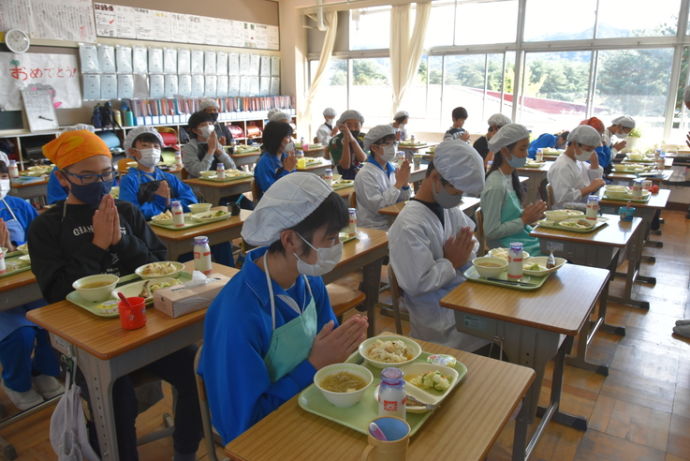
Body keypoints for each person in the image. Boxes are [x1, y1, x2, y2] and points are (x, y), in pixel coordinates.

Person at [28, 130, 202, 461]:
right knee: (115, 399)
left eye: (107, 174)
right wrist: (96, 246)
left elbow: (158, 266)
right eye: (87, 176)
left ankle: (186, 449)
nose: (100, 182)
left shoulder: (128, 212)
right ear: (64, 179)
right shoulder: (47, 227)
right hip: (88, 341)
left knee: (195, 370)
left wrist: (121, 241)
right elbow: (56, 294)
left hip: (145, 324)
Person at [199, 173, 368, 444]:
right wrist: (314, 365)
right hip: (267, 437)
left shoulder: (309, 281)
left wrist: (345, 347)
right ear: (289, 241)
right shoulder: (238, 314)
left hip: (313, 412)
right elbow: (244, 427)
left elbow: (329, 352)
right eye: (331, 238)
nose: (337, 247)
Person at [388, 140, 487, 351]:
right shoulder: (409, 225)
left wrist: (456, 258)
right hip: (438, 320)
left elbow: (471, 244)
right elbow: (417, 284)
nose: (459, 198)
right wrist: (451, 262)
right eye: (456, 191)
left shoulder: (447, 208)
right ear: (435, 178)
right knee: (505, 328)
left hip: (461, 297)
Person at [0, 161, 62, 411]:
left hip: (27, 286)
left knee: (53, 319)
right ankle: (17, 384)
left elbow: (39, 244)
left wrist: (13, 250)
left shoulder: (18, 206)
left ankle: (45, 370)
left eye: (3, 175)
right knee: (21, 334)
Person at [481, 124, 546, 255]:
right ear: (505, 151)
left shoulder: (508, 176)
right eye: (522, 149)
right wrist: (523, 220)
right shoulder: (496, 184)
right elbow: (491, 231)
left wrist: (528, 213)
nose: (526, 153)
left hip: (520, 240)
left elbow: (507, 215)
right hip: (507, 248)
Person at [119, 126, 197, 219]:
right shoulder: (129, 180)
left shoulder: (169, 177)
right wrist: (160, 201)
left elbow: (191, 202)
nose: (152, 150)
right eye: (145, 146)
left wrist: (169, 202)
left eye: (156, 146)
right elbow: (131, 213)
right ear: (132, 151)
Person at [354, 125, 411, 230]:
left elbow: (403, 200)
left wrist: (405, 184)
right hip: (373, 227)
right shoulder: (365, 174)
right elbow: (379, 207)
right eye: (388, 144)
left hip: (393, 223)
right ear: (374, 147)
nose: (393, 148)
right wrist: (398, 184)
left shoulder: (393, 168)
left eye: (394, 143)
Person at [547, 125, 605, 210]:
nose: (590, 153)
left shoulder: (578, 161)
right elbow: (562, 201)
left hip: (580, 208)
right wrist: (589, 189)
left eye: (593, 150)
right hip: (566, 215)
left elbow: (595, 180)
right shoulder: (562, 167)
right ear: (574, 144)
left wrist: (594, 163)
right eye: (588, 150)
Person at [181, 110, 237, 178]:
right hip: (200, 185)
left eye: (210, 124)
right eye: (203, 125)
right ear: (195, 130)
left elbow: (232, 168)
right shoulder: (189, 147)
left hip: (220, 182)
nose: (208, 127)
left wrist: (219, 152)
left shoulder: (215, 144)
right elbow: (199, 172)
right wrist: (211, 151)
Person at [254, 121, 297, 196]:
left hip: (289, 197)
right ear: (277, 139)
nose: (290, 141)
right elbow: (272, 192)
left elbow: (293, 182)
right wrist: (286, 171)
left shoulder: (285, 157)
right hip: (273, 203)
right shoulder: (264, 163)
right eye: (288, 137)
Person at [327, 110, 367, 180]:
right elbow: (345, 166)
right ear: (342, 127)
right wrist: (346, 141)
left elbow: (362, 159)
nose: (352, 129)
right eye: (348, 125)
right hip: (341, 178)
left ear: (361, 125)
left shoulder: (363, 138)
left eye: (356, 125)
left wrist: (353, 141)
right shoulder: (335, 141)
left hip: (360, 177)